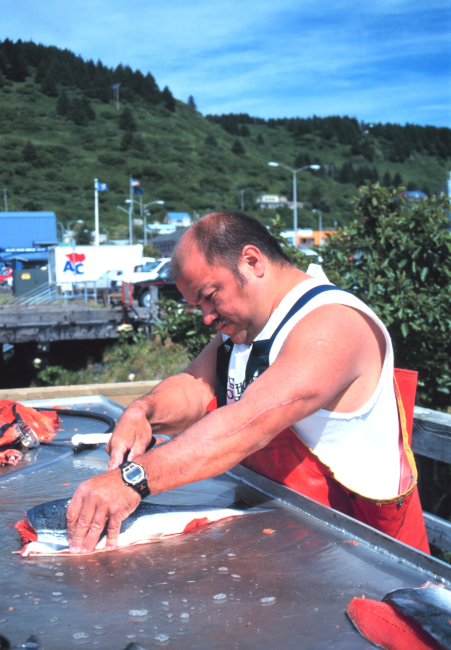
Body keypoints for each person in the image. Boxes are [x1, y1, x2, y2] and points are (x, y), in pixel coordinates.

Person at [66, 211, 429, 555]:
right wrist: (142, 412)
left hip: (366, 553)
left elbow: (249, 424)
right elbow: (194, 387)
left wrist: (133, 480)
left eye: (210, 297)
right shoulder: (244, 329)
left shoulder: (332, 324)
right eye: (198, 306)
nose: (207, 317)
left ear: (252, 261)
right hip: (290, 534)